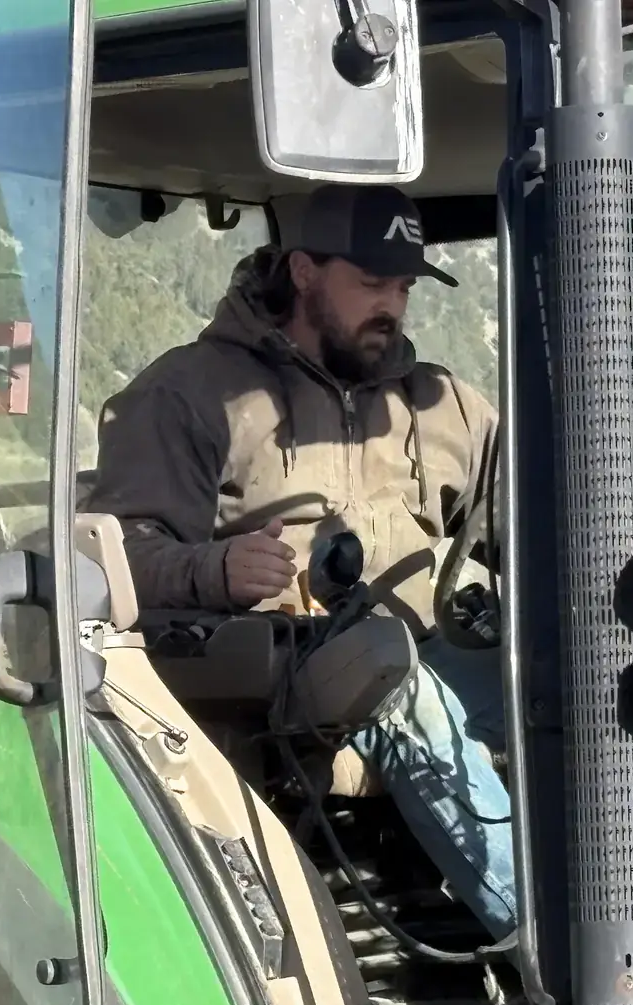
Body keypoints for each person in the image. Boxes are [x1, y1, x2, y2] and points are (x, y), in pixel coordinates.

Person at [84, 184, 520, 938]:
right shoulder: (193, 394)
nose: (393, 304)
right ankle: (560, 958)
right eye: (372, 283)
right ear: (306, 272)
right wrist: (212, 570)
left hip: (425, 651)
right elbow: (112, 555)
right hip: (275, 675)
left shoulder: (439, 403)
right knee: (394, 673)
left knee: (598, 658)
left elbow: (533, 523)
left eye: (405, 286)